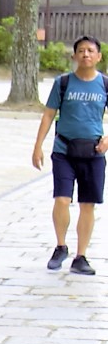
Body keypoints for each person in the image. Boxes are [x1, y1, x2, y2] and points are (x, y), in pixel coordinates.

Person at [32, 35, 107, 277]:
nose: (86, 54)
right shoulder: (63, 83)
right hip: (64, 151)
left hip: (93, 153)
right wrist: (38, 146)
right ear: (74, 56)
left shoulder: (105, 84)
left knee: (88, 205)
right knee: (62, 199)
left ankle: (80, 256)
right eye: (81, 51)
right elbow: (48, 114)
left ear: (98, 57)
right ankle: (60, 246)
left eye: (90, 51)